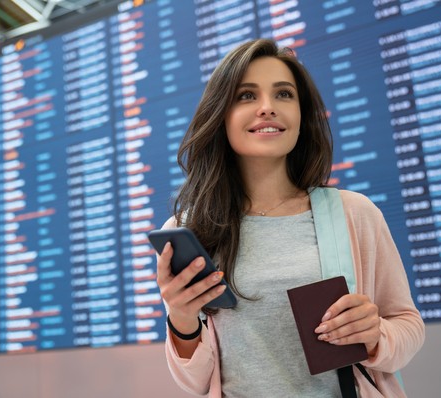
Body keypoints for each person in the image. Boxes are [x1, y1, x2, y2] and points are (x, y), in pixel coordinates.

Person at [155, 38, 425, 397]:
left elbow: (408, 326)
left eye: (284, 94)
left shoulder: (355, 213)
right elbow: (195, 383)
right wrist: (182, 319)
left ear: (301, 115)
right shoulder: (190, 230)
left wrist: (375, 334)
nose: (267, 108)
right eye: (246, 96)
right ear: (221, 116)